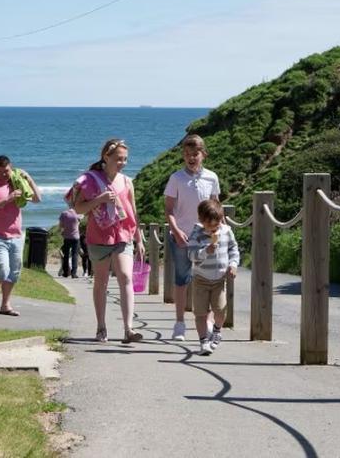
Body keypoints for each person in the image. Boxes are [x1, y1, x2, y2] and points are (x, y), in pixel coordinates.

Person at [71, 139, 146, 343]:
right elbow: (78, 208)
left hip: (123, 235)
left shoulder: (127, 181)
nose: (122, 163)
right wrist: (99, 199)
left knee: (125, 277)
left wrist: (139, 238)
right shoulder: (90, 180)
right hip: (98, 237)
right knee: (101, 282)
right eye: (118, 159)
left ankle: (128, 329)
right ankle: (101, 327)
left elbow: (133, 212)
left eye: (125, 159)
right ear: (106, 157)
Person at [164, 134, 221, 341]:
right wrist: (176, 231)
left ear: (203, 154)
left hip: (205, 236)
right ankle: (179, 323)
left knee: (208, 279)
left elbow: (215, 207)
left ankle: (206, 320)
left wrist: (218, 231)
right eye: (187, 154)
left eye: (195, 154)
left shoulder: (212, 177)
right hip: (181, 236)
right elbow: (169, 209)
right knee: (182, 280)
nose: (191, 158)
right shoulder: (176, 178)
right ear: (183, 155)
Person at [0, 155, 41, 316]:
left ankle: (5, 305)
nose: (4, 175)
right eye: (0, 172)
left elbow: (37, 199)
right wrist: (8, 199)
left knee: (14, 272)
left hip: (16, 236)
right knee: (2, 269)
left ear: (11, 168)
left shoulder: (16, 182)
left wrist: (29, 178)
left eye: (6, 171)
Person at [187, 199, 239, 355]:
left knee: (220, 310)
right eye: (209, 226)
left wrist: (233, 264)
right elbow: (191, 255)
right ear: (202, 221)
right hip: (201, 279)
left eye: (216, 225)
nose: (213, 229)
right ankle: (203, 341)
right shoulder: (196, 233)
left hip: (219, 279)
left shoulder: (226, 231)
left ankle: (217, 330)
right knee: (200, 313)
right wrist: (205, 251)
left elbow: (233, 249)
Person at [58, 208, 82, 278]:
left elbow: (61, 225)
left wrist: (62, 231)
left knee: (66, 255)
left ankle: (65, 273)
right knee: (75, 255)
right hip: (76, 237)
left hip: (67, 237)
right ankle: (73, 273)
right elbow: (80, 221)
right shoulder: (77, 213)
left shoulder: (64, 214)